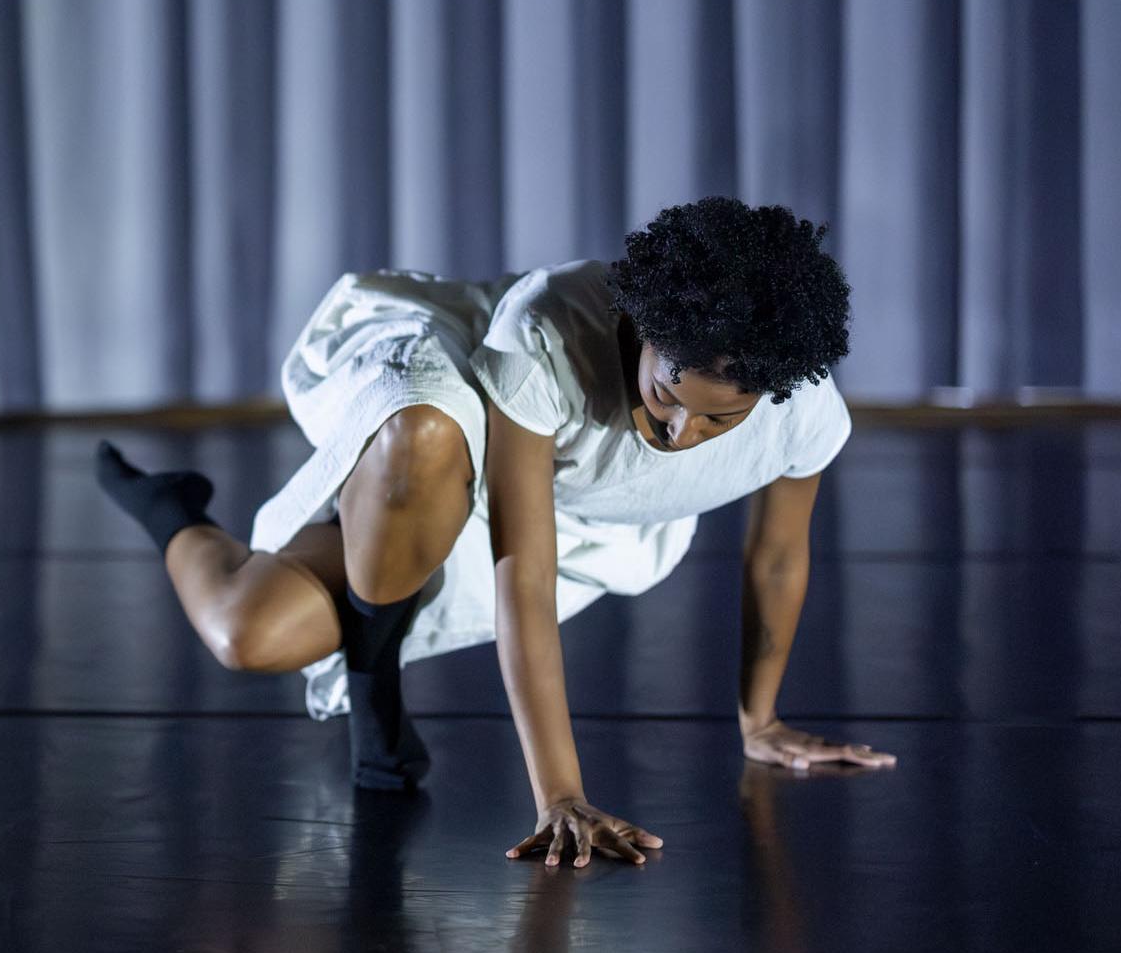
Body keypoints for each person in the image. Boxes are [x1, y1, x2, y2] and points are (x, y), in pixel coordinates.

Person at [95, 195, 896, 868]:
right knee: (428, 430)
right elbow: (523, 567)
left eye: (718, 416)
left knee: (247, 633)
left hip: (577, 513)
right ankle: (378, 695)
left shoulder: (804, 412)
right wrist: (561, 794)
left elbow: (779, 558)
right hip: (453, 390)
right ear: (643, 325)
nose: (681, 429)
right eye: (666, 393)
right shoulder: (547, 333)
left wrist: (760, 722)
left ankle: (171, 507)